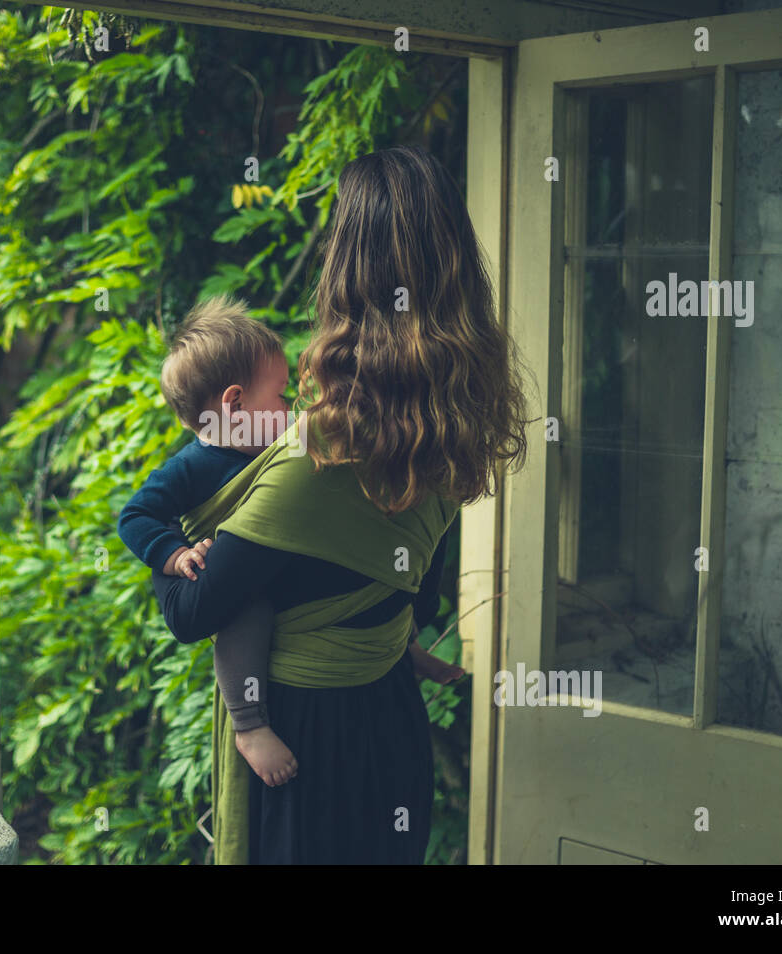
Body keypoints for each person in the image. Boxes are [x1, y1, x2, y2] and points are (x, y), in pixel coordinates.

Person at [151, 144, 529, 864]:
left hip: (306, 746)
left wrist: (172, 534)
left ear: (345, 279)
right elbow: (410, 588)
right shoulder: (453, 434)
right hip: (390, 725)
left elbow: (190, 613)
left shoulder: (315, 461)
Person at [118, 294, 464, 789]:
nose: (292, 406)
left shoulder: (278, 448)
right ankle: (250, 725)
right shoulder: (189, 468)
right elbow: (136, 515)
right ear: (235, 404)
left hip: (300, 594)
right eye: (280, 396)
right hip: (239, 591)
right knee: (248, 616)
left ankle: (404, 648)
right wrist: (174, 554)